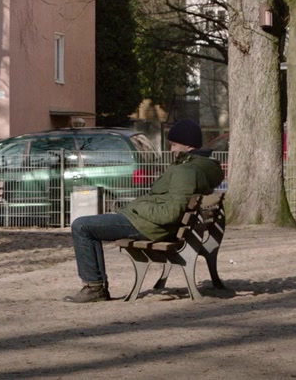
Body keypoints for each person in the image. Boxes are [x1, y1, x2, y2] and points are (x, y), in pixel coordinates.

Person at [62, 118, 224, 303]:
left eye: (174, 144)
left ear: (188, 145)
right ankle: (95, 286)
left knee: (81, 226)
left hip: (149, 227)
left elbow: (170, 213)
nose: (171, 149)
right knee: (88, 226)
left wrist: (138, 207)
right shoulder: (200, 168)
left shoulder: (185, 172)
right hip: (153, 224)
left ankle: (94, 287)